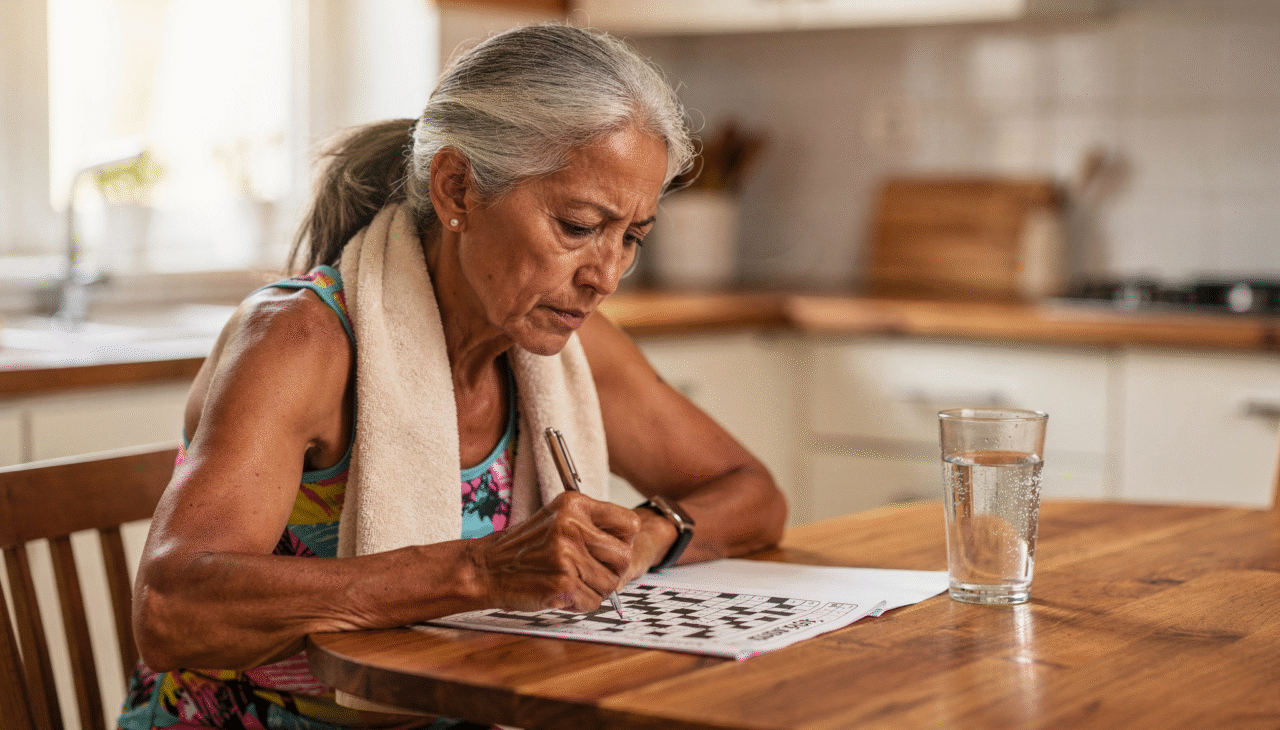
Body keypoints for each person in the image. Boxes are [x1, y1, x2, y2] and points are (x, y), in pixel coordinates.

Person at [119, 23, 786, 730]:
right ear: (457, 187)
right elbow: (171, 609)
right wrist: (482, 572)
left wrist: (647, 538)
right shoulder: (300, 340)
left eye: (632, 237)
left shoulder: (572, 343)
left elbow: (754, 494)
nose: (606, 276)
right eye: (578, 225)